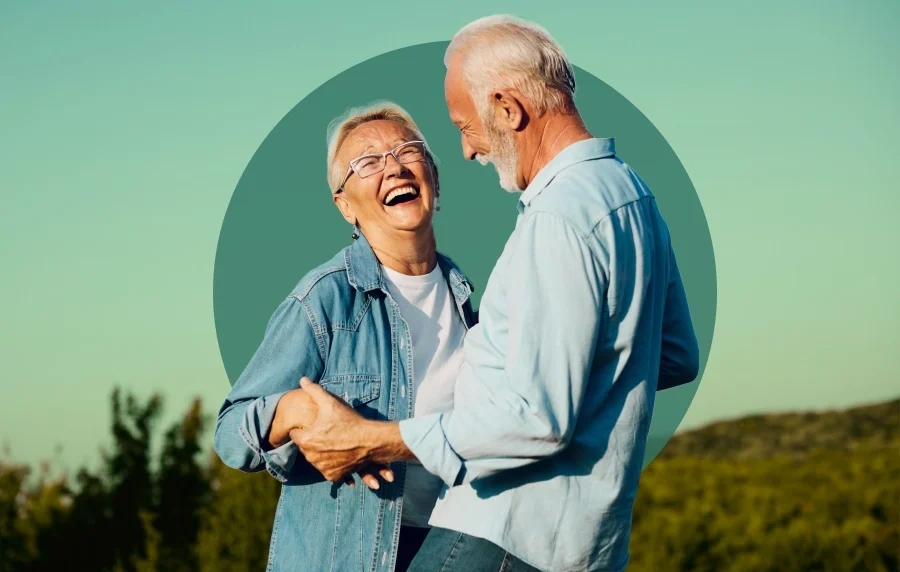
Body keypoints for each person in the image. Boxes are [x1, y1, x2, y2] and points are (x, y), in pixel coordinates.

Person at [291, 15, 700, 572]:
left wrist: (375, 439)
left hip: (501, 535)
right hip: (588, 544)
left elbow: (537, 419)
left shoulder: (557, 218)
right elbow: (673, 354)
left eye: (466, 126)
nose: (466, 150)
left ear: (509, 109)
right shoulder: (631, 194)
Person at [213, 102, 478, 571]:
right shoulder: (325, 299)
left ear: (434, 179)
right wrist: (292, 410)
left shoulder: (469, 305)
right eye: (367, 162)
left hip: (447, 550)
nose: (394, 166)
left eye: (407, 151)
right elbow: (230, 434)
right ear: (345, 206)